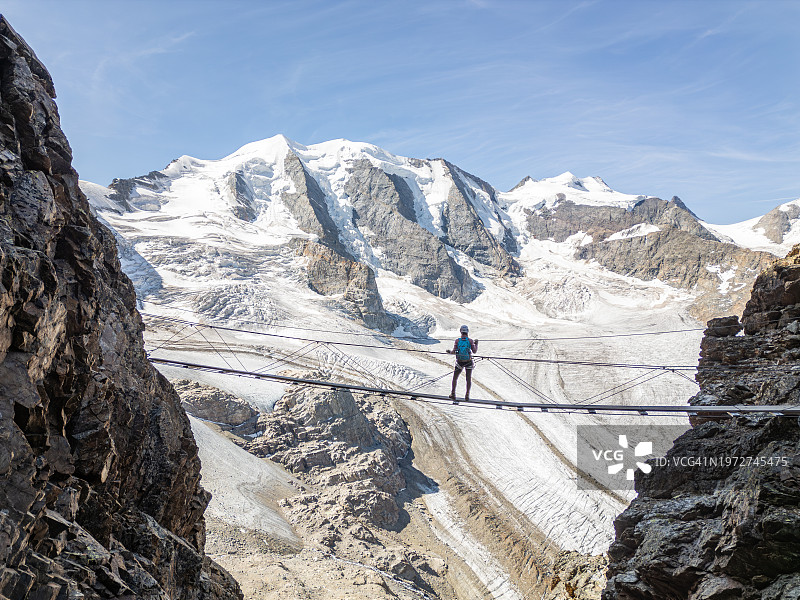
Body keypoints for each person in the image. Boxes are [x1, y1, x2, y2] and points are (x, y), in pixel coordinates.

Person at [447, 324, 478, 401]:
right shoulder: (470, 341)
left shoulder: (457, 341)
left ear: (461, 332)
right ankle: (467, 395)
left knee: (455, 378)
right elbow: (474, 351)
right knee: (468, 379)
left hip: (460, 362)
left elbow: (454, 351)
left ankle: (453, 393)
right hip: (468, 362)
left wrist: (449, 352)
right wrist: (476, 344)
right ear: (467, 332)